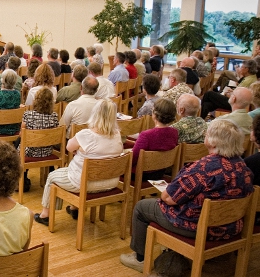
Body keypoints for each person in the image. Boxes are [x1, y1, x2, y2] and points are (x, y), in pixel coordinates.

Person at [120, 119, 254, 273]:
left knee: (142, 207)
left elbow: (169, 198)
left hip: (196, 227)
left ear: (212, 142)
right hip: (230, 227)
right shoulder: (244, 168)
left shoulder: (204, 167)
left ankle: (140, 259)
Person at [34, 99, 123, 224]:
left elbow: (69, 148)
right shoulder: (117, 135)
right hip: (110, 182)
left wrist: (80, 150)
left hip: (84, 183)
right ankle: (74, 208)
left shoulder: (86, 135)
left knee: (52, 177)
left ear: (95, 114)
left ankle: (45, 215)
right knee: (81, 170)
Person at [18, 88, 59, 190]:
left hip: (30, 152)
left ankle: (22, 178)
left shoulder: (28, 115)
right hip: (47, 151)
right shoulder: (54, 117)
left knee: (19, 145)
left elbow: (21, 134)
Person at [130, 98, 179, 180]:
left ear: (154, 114)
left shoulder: (146, 135)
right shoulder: (174, 132)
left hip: (140, 175)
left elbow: (132, 160)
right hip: (160, 172)